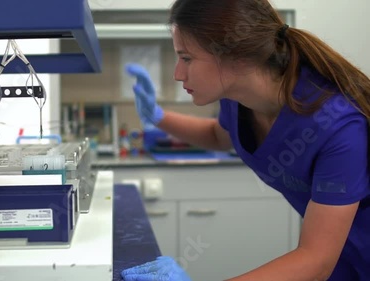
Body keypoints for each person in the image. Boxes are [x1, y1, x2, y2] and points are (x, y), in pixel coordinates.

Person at [120, 0, 370, 280]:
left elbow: (316, 259)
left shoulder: (339, 126)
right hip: (339, 261)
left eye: (186, 58)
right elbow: (219, 136)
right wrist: (157, 116)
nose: (178, 74)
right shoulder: (237, 98)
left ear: (236, 56)